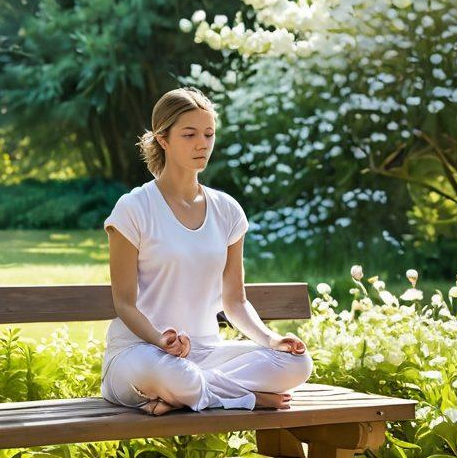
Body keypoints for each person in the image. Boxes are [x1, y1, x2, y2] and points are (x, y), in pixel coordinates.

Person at [101, 87, 313, 415]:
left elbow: (235, 301)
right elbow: (124, 303)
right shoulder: (133, 208)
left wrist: (270, 339)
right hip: (140, 354)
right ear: (162, 139)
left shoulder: (227, 210)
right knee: (169, 372)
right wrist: (160, 341)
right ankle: (244, 398)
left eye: (209, 133)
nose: (202, 143)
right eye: (189, 134)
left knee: (296, 364)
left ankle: (186, 395)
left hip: (204, 355)